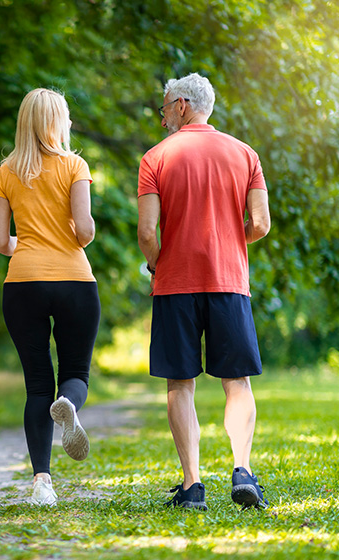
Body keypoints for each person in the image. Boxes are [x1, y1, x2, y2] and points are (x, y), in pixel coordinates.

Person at [137, 73, 271, 510]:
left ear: (180, 105)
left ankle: (193, 485)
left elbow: (146, 231)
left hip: (175, 282)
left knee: (181, 381)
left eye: (163, 108)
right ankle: (243, 470)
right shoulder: (245, 154)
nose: (161, 118)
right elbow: (261, 224)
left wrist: (158, 261)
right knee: (237, 381)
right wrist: (230, 240)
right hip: (229, 280)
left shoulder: (155, 157)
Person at [0, 88, 100, 506]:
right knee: (76, 372)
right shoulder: (75, 165)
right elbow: (85, 233)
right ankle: (69, 404)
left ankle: (42, 484)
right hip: (74, 281)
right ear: (58, 121)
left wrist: (32, 244)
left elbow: (0, 241)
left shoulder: (6, 171)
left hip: (22, 284)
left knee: (37, 386)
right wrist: (63, 237)